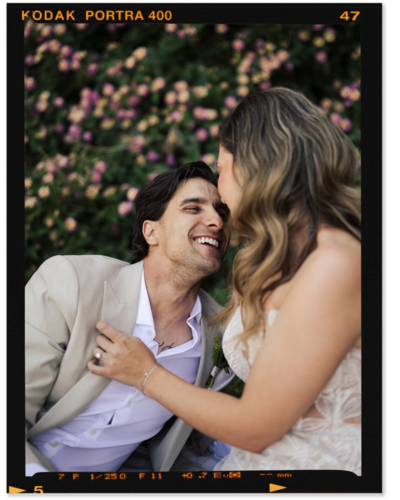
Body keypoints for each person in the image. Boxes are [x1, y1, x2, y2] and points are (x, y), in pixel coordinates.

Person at [88, 87, 362, 474]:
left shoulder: (333, 262)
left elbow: (254, 427)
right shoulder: (289, 260)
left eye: (222, 167)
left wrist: (146, 374)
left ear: (254, 164)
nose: (221, 190)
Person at [25, 161, 236, 475]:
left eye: (222, 212)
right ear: (152, 231)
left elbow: (185, 441)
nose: (216, 220)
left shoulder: (221, 337)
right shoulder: (70, 284)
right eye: (193, 208)